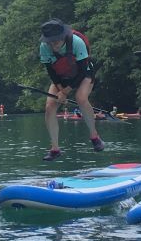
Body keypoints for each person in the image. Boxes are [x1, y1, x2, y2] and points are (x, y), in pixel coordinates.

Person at [39, 18, 103, 161]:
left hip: (84, 73)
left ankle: (94, 136)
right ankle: (55, 148)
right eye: (50, 41)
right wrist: (60, 90)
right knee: (49, 106)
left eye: (56, 41)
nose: (53, 45)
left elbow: (81, 72)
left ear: (62, 37)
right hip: (61, 77)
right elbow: (51, 72)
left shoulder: (77, 42)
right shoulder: (44, 46)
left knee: (81, 98)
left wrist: (65, 92)